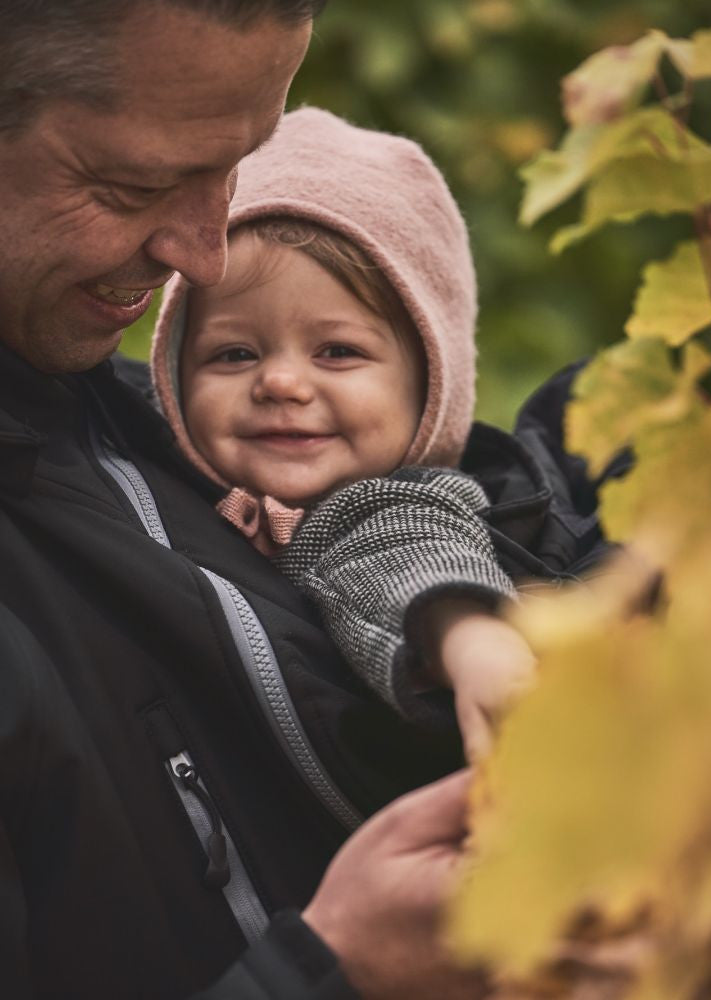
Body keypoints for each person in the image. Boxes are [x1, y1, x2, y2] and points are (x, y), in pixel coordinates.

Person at [0, 2, 493, 998]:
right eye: (132, 185)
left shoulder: (131, 421)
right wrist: (335, 970)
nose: (206, 251)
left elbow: (395, 520)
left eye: (233, 168)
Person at [150, 107, 539, 764]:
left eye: (335, 352)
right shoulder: (153, 483)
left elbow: (404, 553)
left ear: (429, 384)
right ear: (174, 375)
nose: (281, 383)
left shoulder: (388, 501)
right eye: (234, 355)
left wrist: (473, 640)